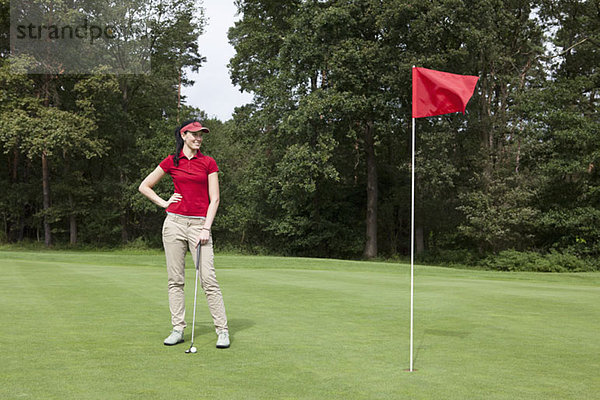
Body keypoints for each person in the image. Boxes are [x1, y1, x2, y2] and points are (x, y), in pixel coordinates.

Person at [139, 119, 230, 349]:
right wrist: (165, 203)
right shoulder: (172, 161)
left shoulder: (208, 163)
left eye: (201, 135)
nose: (199, 139)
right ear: (184, 135)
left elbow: (215, 198)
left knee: (209, 279)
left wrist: (207, 228)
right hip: (174, 224)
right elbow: (144, 186)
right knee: (175, 280)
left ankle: (222, 331)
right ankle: (178, 328)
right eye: (195, 135)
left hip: (200, 225)